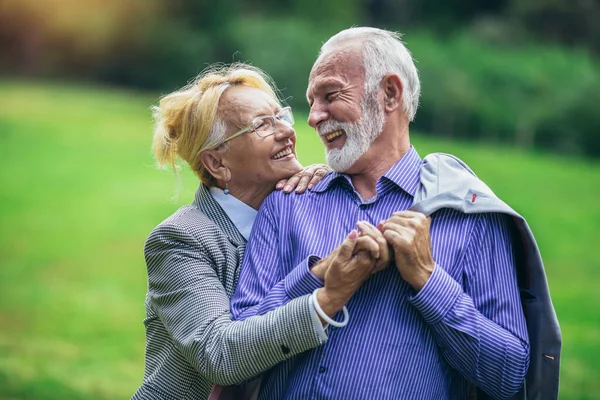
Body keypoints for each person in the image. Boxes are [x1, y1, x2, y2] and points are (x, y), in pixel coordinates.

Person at [231, 27, 560, 399]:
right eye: (312, 100)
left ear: (389, 93)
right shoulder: (288, 203)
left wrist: (427, 278)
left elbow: (509, 375)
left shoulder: (471, 214)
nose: (313, 116)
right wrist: (319, 277)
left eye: (330, 95)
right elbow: (236, 349)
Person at [132, 63, 388, 400]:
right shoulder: (181, 239)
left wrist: (326, 187)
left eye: (280, 116)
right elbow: (219, 354)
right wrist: (325, 297)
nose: (286, 132)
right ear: (217, 164)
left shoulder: (301, 206)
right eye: (261, 125)